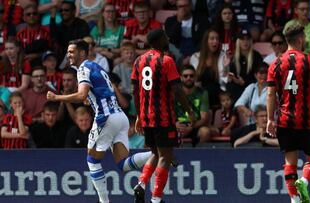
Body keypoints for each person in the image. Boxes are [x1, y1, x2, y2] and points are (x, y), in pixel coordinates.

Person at [46, 39, 151, 203]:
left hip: (106, 117)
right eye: (68, 52)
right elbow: (94, 93)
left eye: (72, 52)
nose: (68, 55)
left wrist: (57, 97)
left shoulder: (83, 69)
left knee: (93, 161)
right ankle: (158, 154)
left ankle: (104, 201)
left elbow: (81, 95)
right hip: (120, 117)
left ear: (82, 53)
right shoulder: (97, 67)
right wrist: (89, 98)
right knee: (123, 164)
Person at [131, 29, 194, 203]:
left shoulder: (138, 61)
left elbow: (134, 91)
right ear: (159, 41)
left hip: (146, 116)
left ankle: (141, 184)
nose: (168, 38)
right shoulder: (167, 61)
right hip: (163, 117)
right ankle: (156, 199)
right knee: (165, 157)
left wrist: (138, 116)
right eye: (166, 37)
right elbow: (177, 89)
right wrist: (189, 110)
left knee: (155, 153)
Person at [266, 24, 310, 203]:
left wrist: (269, 119)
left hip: (284, 120)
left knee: (290, 161)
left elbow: (270, 94)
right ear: (300, 39)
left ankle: (295, 200)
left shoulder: (275, 63)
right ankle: (304, 181)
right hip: (306, 119)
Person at [175, 65, 211, 147]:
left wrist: (191, 127)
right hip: (178, 125)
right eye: (185, 76)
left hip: (195, 125)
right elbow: (168, 114)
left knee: (205, 132)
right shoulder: (175, 93)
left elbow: (204, 118)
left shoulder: (202, 93)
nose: (188, 78)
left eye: (191, 76)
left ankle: (198, 155)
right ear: (181, 78)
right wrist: (175, 124)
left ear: (195, 77)